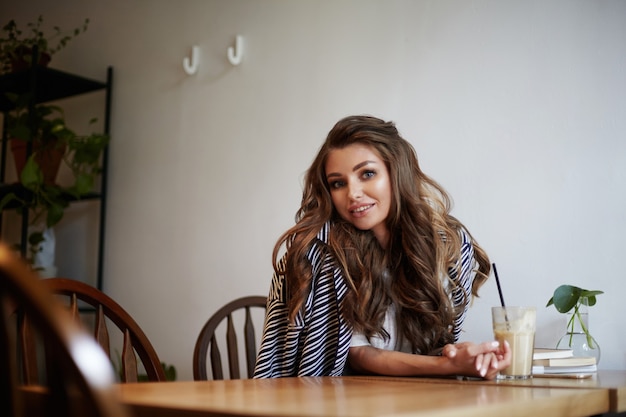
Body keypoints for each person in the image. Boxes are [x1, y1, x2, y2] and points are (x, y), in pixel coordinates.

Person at [253, 115, 511, 380]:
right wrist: (447, 366)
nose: (352, 193)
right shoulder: (323, 256)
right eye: (338, 183)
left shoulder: (446, 246)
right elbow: (358, 354)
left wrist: (457, 354)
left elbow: (438, 343)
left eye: (367, 174)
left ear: (396, 172)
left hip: (425, 396)